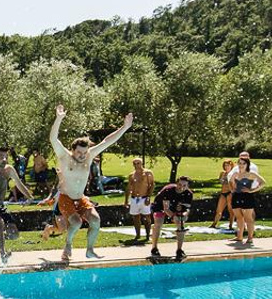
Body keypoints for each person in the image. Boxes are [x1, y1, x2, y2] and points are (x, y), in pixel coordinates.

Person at [49, 105, 134, 262]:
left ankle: (90, 250)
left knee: (95, 220)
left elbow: (107, 141)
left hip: (80, 198)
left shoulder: (89, 156)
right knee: (76, 222)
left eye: (84, 152)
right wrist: (59, 119)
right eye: (79, 152)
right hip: (66, 197)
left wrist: (124, 127)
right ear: (72, 150)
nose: (82, 156)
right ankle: (68, 245)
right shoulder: (64, 157)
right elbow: (53, 139)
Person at [149, 176, 195, 260]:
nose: (181, 187)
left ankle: (179, 250)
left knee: (181, 225)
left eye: (184, 186)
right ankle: (154, 248)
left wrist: (184, 215)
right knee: (158, 223)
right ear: (176, 183)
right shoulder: (168, 190)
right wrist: (173, 217)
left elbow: (187, 209)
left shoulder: (188, 194)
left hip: (175, 206)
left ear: (188, 186)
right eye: (180, 184)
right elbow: (166, 208)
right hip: (159, 206)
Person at [226, 152, 265, 246]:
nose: (241, 165)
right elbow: (230, 182)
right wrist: (232, 190)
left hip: (247, 197)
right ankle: (239, 236)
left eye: (243, 163)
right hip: (236, 197)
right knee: (239, 218)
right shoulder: (235, 173)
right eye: (240, 163)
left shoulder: (251, 173)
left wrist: (252, 191)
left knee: (248, 218)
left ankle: (250, 238)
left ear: (247, 164)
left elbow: (263, 182)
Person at [125, 158, 155, 242]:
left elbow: (152, 185)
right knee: (135, 217)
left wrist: (148, 197)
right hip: (134, 198)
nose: (136, 165)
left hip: (144, 197)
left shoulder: (147, 173)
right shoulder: (132, 175)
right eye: (134, 163)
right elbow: (128, 188)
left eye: (138, 163)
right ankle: (137, 235)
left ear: (141, 163)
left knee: (147, 217)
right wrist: (126, 200)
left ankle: (148, 235)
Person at [210, 159, 235, 228]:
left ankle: (230, 225)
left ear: (231, 166)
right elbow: (221, 182)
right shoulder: (222, 173)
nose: (226, 167)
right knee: (219, 210)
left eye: (228, 165)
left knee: (231, 210)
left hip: (230, 193)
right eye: (225, 165)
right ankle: (214, 224)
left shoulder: (233, 174)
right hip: (223, 193)